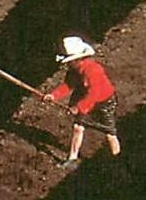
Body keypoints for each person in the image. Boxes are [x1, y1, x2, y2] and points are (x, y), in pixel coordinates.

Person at [43, 35, 120, 167]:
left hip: (103, 101)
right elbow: (68, 85)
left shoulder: (93, 70)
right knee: (78, 127)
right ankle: (72, 158)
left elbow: (94, 93)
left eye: (69, 61)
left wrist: (79, 107)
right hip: (84, 96)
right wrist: (53, 95)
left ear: (77, 59)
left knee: (109, 132)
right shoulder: (73, 70)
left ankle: (117, 158)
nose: (67, 64)